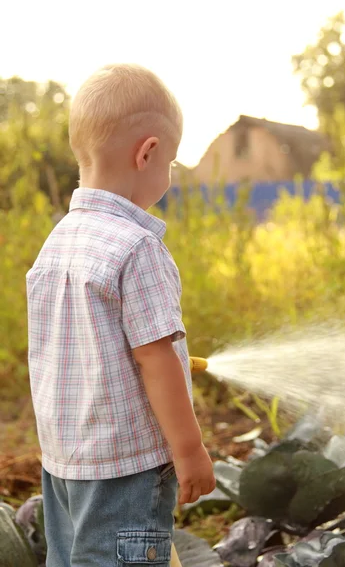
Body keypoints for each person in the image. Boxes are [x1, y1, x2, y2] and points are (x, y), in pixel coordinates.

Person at [26, 64, 216, 566]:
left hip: (66, 465)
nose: (170, 175)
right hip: (126, 472)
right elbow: (154, 357)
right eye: (171, 161)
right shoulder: (137, 249)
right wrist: (190, 450)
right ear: (147, 152)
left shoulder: (57, 243)